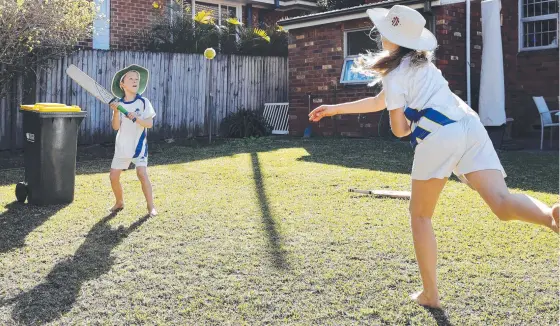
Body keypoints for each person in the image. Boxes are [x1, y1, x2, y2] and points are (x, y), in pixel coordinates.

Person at [308, 5, 559, 308]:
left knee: (420, 216)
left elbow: (400, 130)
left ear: (392, 38)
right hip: (469, 125)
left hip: (439, 134)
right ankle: (551, 217)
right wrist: (335, 109)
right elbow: (379, 101)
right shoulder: (424, 65)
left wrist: (398, 120)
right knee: (502, 204)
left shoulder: (393, 73)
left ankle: (430, 295)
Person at [108, 64, 158, 217]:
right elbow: (116, 127)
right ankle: (119, 202)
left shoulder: (143, 102)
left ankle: (151, 207)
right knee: (113, 177)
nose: (135, 81)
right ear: (122, 84)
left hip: (138, 146)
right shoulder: (119, 104)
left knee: (142, 173)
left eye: (137, 79)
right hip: (122, 146)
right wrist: (116, 113)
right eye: (131, 78)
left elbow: (149, 124)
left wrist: (136, 118)